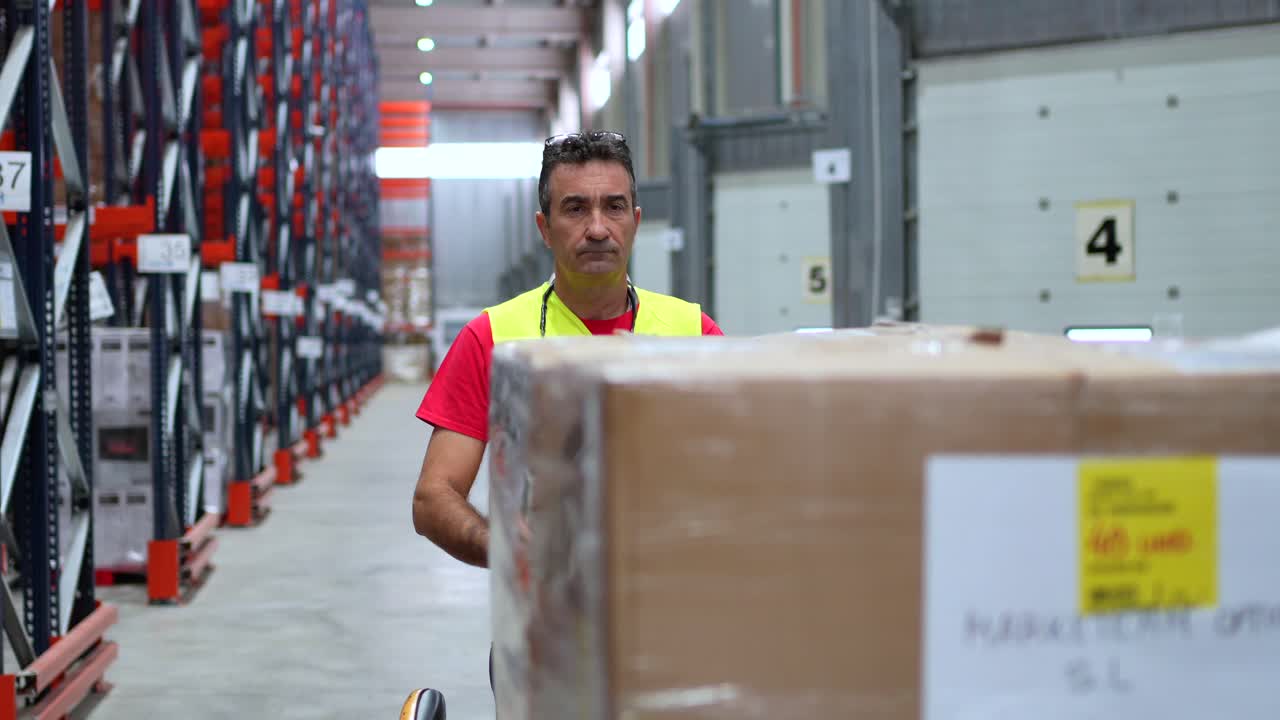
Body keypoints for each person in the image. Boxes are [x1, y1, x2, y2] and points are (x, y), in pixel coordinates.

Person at [410, 131, 723, 696]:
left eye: (614, 207)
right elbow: (434, 497)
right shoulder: (494, 337)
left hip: (673, 623)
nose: (597, 228)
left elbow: (739, 479)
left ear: (635, 220)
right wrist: (506, 546)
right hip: (544, 633)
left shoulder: (693, 332)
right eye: (575, 209)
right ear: (544, 226)